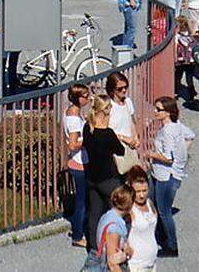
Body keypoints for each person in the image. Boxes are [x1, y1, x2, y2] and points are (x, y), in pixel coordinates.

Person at [145, 96, 192, 260]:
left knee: (164, 211)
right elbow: (191, 136)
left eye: (159, 110)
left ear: (167, 112)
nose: (155, 112)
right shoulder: (177, 126)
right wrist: (183, 155)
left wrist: (151, 154)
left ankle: (171, 245)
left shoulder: (167, 132)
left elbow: (167, 157)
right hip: (169, 174)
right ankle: (163, 237)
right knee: (158, 207)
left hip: (166, 175)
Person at [82, 94, 125, 255]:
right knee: (117, 211)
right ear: (106, 110)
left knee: (94, 212)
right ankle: (116, 245)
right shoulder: (107, 133)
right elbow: (120, 151)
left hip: (92, 177)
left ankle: (94, 247)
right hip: (108, 178)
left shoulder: (88, 128)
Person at [81, 184, 135, 272]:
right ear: (130, 205)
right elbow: (112, 264)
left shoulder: (107, 215)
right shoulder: (115, 227)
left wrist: (126, 254)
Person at [63, 84, 90, 249]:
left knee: (83, 199)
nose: (88, 98)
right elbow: (72, 145)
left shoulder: (72, 112)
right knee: (82, 201)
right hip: (79, 162)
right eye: (85, 96)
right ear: (78, 98)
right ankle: (78, 235)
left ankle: (80, 229)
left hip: (78, 161)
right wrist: (88, 140)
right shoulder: (73, 119)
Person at [122, 167, 160, 270]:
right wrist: (124, 246)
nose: (142, 195)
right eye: (137, 191)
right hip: (136, 264)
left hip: (152, 261)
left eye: (145, 190)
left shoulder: (149, 203)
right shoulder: (129, 210)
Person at [106, 72, 140, 173]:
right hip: (116, 148)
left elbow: (131, 121)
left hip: (129, 146)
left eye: (125, 87)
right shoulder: (109, 106)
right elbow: (106, 131)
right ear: (112, 90)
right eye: (120, 89)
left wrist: (135, 138)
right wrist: (125, 139)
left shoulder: (128, 102)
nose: (124, 90)